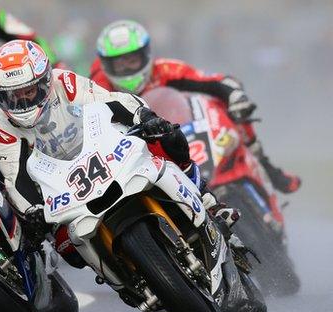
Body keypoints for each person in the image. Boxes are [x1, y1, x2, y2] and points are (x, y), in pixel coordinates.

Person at [0, 40, 238, 268]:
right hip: (58, 185)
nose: (23, 101)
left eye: (29, 91)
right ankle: (126, 273)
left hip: (100, 150)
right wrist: (33, 211)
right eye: (13, 96)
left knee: (167, 137)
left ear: (45, 82)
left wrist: (145, 117)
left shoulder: (64, 82)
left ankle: (206, 198)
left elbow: (110, 100)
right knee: (68, 250)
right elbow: (15, 177)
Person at [89, 20, 300, 194]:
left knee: (234, 109)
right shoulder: (96, 87)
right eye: (119, 63)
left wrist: (234, 95)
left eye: (132, 60)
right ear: (107, 65)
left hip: (179, 135)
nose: (126, 68)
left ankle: (267, 167)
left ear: (145, 55)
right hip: (134, 152)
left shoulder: (165, 69)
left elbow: (216, 81)